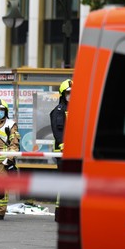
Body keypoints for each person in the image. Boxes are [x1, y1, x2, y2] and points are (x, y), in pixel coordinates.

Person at [50, 79, 72, 220]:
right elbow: (59, 133)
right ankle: (60, 212)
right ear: (63, 94)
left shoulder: (78, 109)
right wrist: (65, 148)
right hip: (63, 152)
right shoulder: (59, 111)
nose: (71, 95)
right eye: (68, 92)